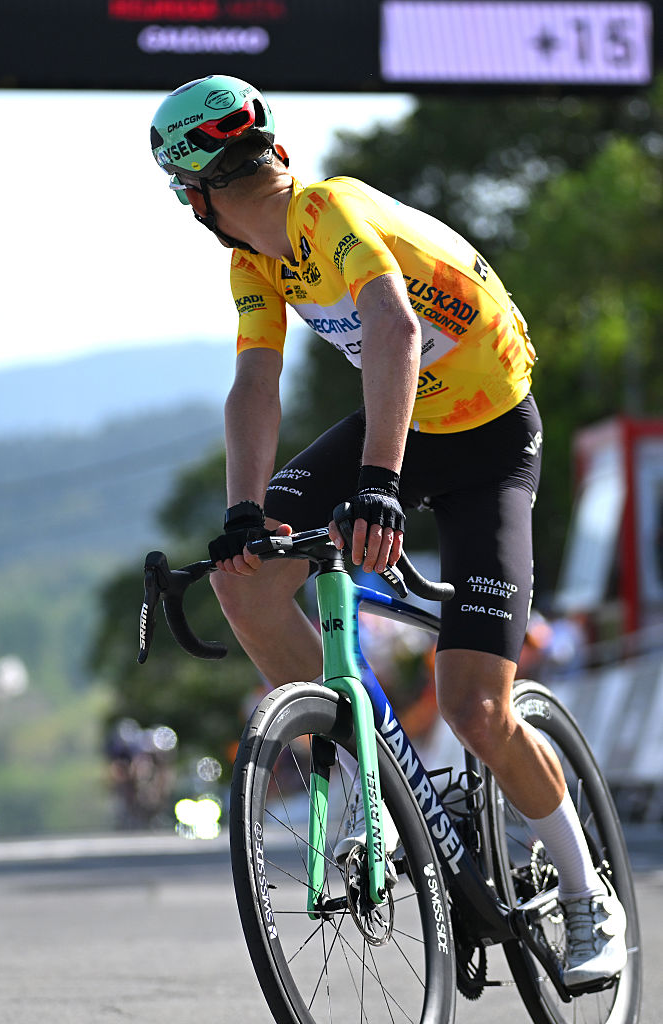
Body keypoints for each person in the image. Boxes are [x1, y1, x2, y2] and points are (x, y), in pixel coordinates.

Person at [150, 75, 627, 987]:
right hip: (402, 427)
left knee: (476, 708)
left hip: (486, 438)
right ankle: (360, 764)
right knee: (243, 579)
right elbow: (256, 384)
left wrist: (377, 484)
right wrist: (244, 514)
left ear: (192, 194)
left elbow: (392, 324)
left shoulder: (326, 209)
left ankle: (583, 896)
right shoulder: (251, 264)